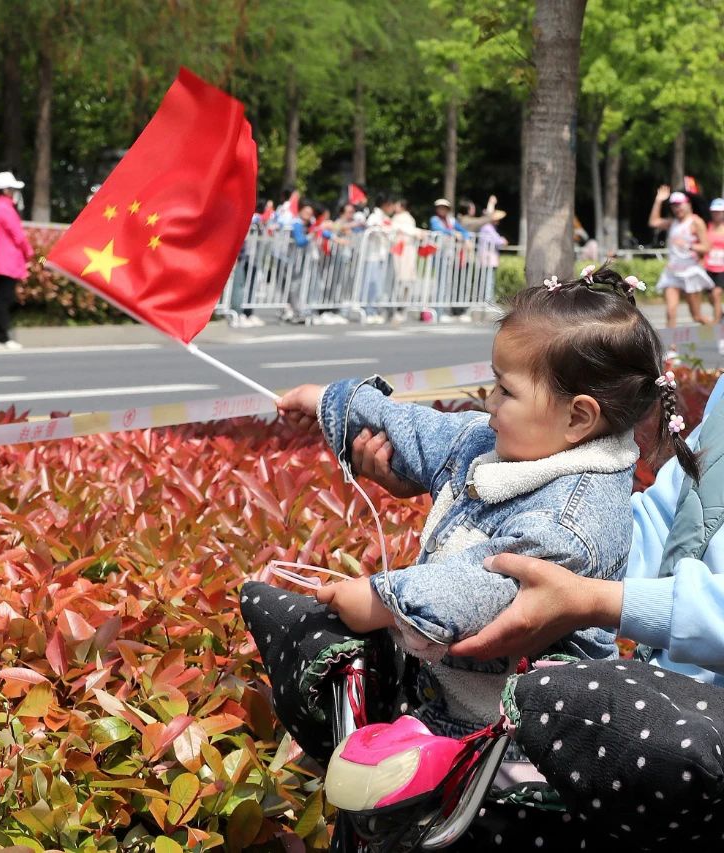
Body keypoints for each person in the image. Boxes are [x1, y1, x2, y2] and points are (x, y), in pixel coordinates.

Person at [245, 265, 695, 775]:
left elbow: (479, 584)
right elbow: (421, 428)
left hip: (515, 742)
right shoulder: (508, 442)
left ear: (578, 417)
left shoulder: (573, 520)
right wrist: (336, 404)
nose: (489, 400)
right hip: (443, 698)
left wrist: (378, 599)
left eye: (505, 390)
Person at [649, 185, 712, 328]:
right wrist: (658, 201)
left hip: (691, 271)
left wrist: (688, 245)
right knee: (671, 312)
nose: (677, 208)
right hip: (673, 272)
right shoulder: (673, 222)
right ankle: (670, 342)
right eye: (674, 206)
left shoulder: (696, 222)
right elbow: (653, 222)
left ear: (688, 204)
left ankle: (719, 331)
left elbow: (706, 247)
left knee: (696, 316)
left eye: (679, 205)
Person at [0, 171, 35, 350]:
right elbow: (18, 235)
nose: (15, 193)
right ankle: (1, 338)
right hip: (7, 260)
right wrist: (30, 252)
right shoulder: (4, 207)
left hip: (2, 260)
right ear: (6, 190)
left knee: (2, 298)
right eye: (13, 189)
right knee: (4, 299)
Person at [475, 209, 508, 300]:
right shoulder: (487, 228)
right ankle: (487, 300)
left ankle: (486, 300)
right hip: (488, 258)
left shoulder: (489, 227)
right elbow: (497, 241)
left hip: (488, 257)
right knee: (489, 280)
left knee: (487, 280)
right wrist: (503, 240)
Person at [705, 197, 724, 329]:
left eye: (719, 211)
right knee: (711, 297)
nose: (716, 214)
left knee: (717, 294)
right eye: (714, 211)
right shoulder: (707, 227)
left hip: (722, 268)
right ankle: (721, 315)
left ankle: (717, 325)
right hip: (708, 267)